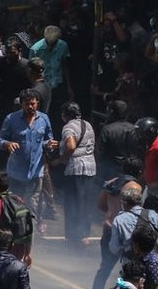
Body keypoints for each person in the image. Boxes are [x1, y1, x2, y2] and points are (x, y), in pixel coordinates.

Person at [0, 88, 57, 206]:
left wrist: (49, 145)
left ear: (37, 103)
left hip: (35, 172)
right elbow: (0, 140)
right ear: (21, 104)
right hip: (16, 172)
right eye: (27, 104)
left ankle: (33, 224)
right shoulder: (11, 119)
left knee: (32, 206)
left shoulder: (44, 119)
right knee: (14, 205)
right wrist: (7, 144)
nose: (30, 107)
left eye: (33, 104)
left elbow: (46, 141)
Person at [93, 160, 144, 289]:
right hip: (125, 231)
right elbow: (136, 211)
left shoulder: (111, 183)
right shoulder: (136, 187)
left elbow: (100, 204)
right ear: (138, 171)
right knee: (130, 269)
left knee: (105, 267)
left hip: (108, 227)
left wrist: (112, 211)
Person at [60, 102, 97, 244]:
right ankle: (84, 236)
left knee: (72, 203)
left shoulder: (68, 127)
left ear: (66, 114)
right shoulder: (88, 124)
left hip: (75, 168)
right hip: (90, 168)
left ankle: (71, 236)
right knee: (85, 203)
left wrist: (62, 159)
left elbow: (71, 146)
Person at [0, 172, 34, 266]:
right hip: (20, 252)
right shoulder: (18, 200)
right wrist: (28, 254)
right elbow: (27, 227)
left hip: (2, 253)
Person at [29, 25, 72, 130]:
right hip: (42, 87)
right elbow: (31, 70)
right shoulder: (35, 49)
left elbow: (64, 65)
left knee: (59, 115)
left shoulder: (63, 46)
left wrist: (69, 87)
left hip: (58, 85)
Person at [109, 187, 158, 264]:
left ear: (124, 203)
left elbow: (114, 248)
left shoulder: (119, 219)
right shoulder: (152, 215)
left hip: (131, 264)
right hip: (153, 261)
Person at [98, 100, 137, 181]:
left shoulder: (107, 129)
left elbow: (100, 150)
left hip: (111, 168)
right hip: (131, 168)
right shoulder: (134, 128)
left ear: (112, 112)